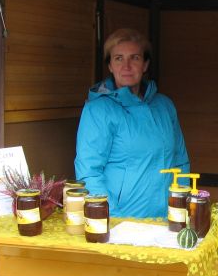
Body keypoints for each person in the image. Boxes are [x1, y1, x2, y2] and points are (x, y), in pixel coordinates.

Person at [75, 28, 189, 218]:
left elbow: (180, 161)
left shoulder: (164, 106)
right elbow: (89, 173)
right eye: (118, 58)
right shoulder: (98, 111)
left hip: (168, 217)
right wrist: (113, 217)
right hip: (123, 220)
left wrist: (181, 206)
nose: (126, 66)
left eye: (134, 58)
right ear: (110, 66)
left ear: (145, 65)